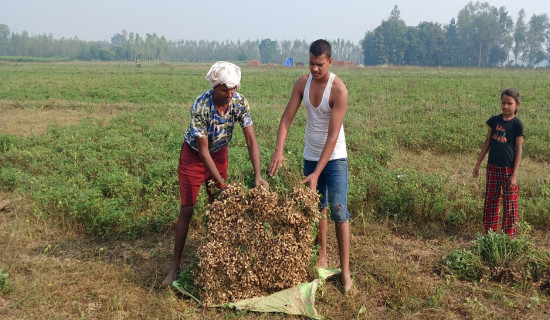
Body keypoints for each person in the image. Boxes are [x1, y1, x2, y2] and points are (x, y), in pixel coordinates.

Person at [162, 61, 269, 286]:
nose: (229, 93)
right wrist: (221, 183)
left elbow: (251, 139)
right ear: (214, 87)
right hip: (194, 156)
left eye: (233, 88)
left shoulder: (239, 103)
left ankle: (217, 259)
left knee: (218, 207)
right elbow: (202, 151)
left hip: (219, 154)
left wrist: (258, 174)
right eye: (224, 89)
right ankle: (175, 266)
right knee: (187, 210)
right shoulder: (201, 106)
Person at [268, 39, 353, 294]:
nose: (314, 69)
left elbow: (332, 136)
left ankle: (346, 273)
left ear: (330, 61)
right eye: (311, 63)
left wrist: (317, 173)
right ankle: (322, 256)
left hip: (334, 158)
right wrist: (279, 151)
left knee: (339, 211)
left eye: (319, 64)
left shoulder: (338, 90)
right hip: (310, 156)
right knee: (317, 208)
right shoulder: (302, 84)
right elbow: (286, 119)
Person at [473, 88, 524, 237]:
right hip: (492, 168)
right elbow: (487, 142)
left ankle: (509, 236)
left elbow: (519, 150)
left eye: (509, 103)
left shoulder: (517, 124)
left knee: (510, 205)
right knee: (490, 201)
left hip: (508, 170)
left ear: (517, 104)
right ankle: (490, 233)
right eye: (503, 103)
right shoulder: (494, 121)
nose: (505, 106)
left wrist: (514, 174)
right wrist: (478, 164)